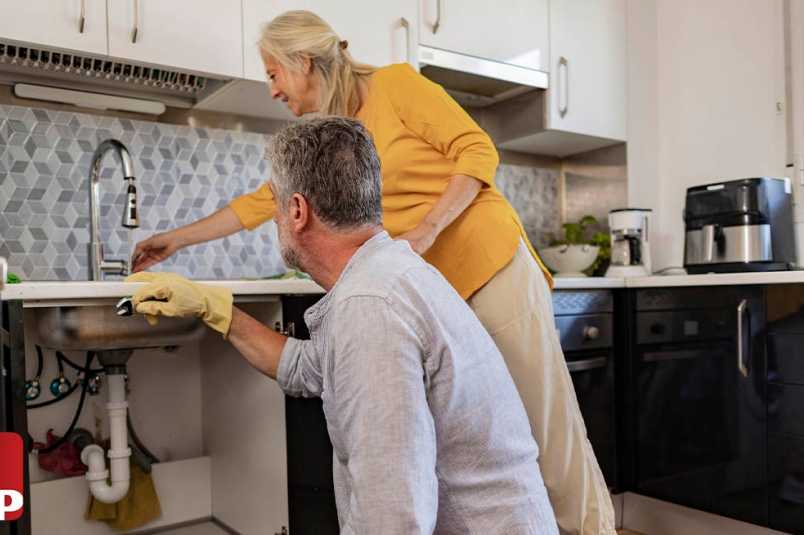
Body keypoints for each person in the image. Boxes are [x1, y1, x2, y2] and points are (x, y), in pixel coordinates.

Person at [131, 11, 614, 534]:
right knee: (465, 440)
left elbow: (477, 150)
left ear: (303, 62)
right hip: (429, 282)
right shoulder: (330, 136)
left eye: (273, 73)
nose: (271, 90)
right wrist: (174, 240)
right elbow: (261, 202)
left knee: (545, 427)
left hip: (486, 262)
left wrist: (427, 231)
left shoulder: (396, 85)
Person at [128, 117, 557, 534]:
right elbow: (307, 368)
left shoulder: (371, 305)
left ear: (297, 210)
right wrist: (214, 308)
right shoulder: (388, 273)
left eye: (277, 204)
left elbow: (392, 517)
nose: (275, 219)